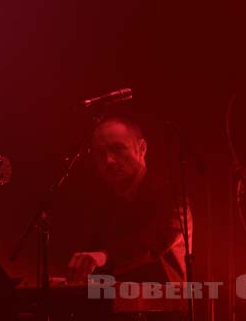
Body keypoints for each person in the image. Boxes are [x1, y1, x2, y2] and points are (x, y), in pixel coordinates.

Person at [67, 116, 192, 284]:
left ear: (141, 148)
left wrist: (104, 256)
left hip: (164, 302)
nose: (109, 160)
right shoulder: (105, 204)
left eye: (118, 149)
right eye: (100, 153)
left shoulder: (171, 195)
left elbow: (153, 243)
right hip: (118, 304)